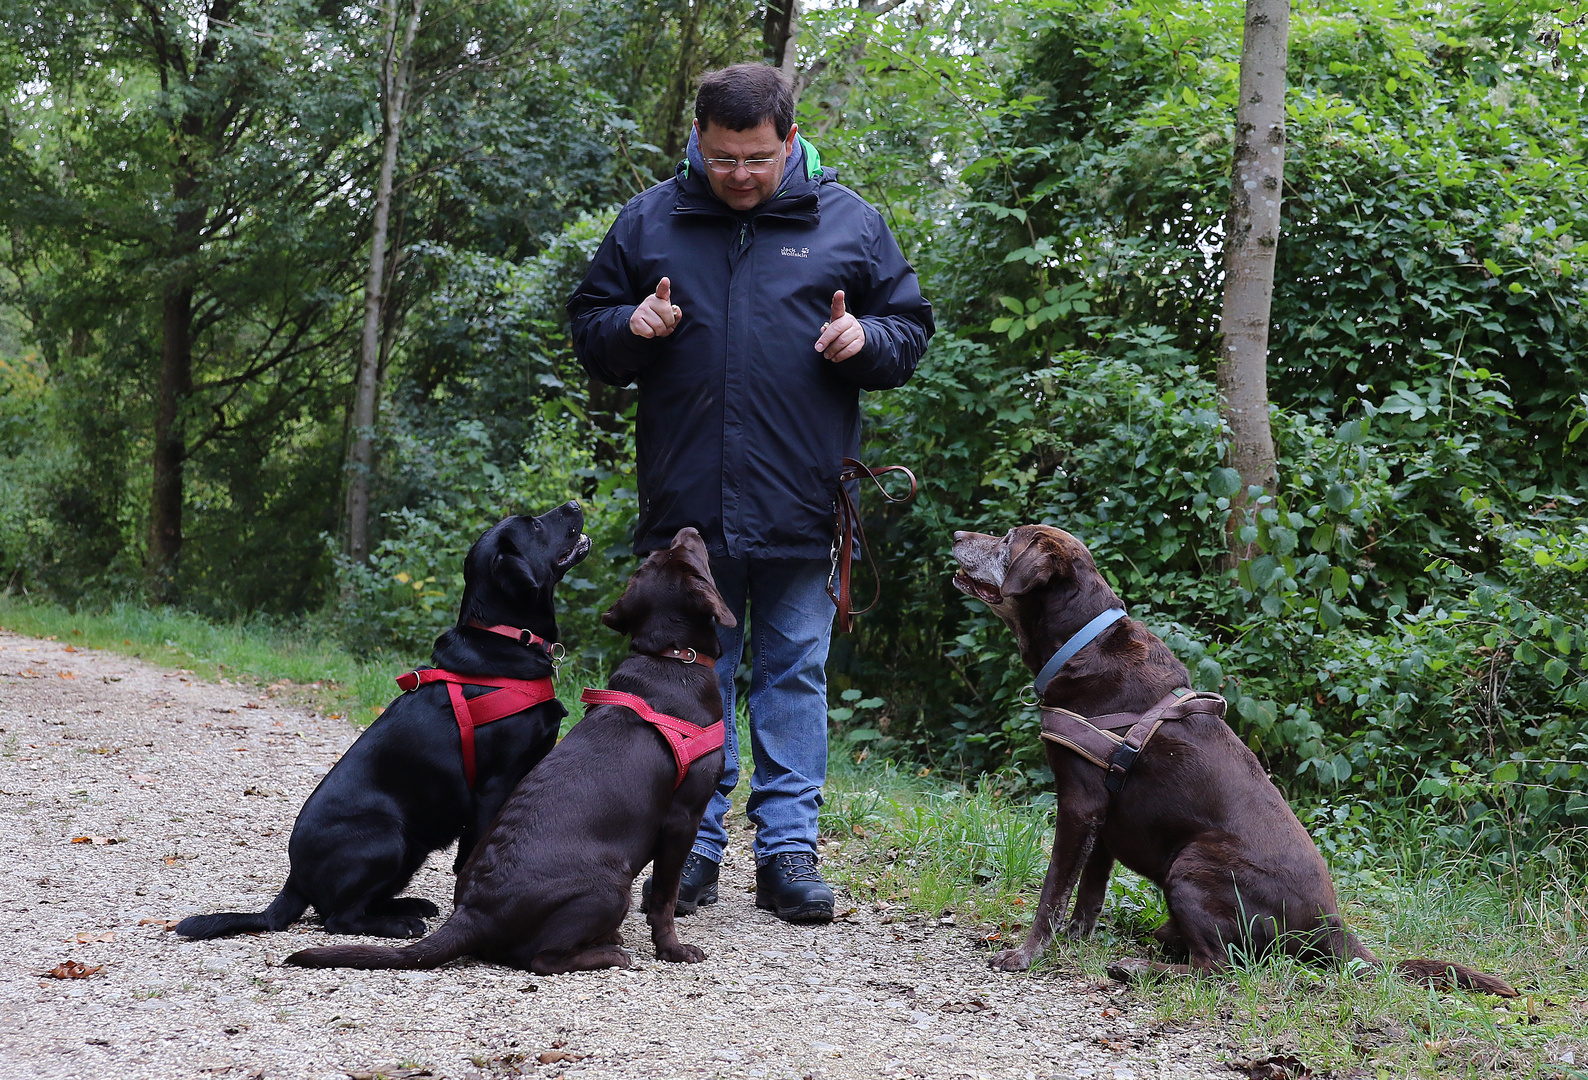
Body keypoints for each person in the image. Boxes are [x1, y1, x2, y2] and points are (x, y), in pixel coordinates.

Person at [567, 62, 933, 925]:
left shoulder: (851, 223)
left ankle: (788, 855)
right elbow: (590, 328)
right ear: (697, 140)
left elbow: (910, 331)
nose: (739, 173)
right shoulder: (650, 219)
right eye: (724, 156)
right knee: (696, 675)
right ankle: (689, 850)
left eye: (757, 158)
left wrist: (865, 338)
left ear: (790, 141)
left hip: (806, 502)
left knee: (794, 676)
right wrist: (631, 326)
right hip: (687, 512)